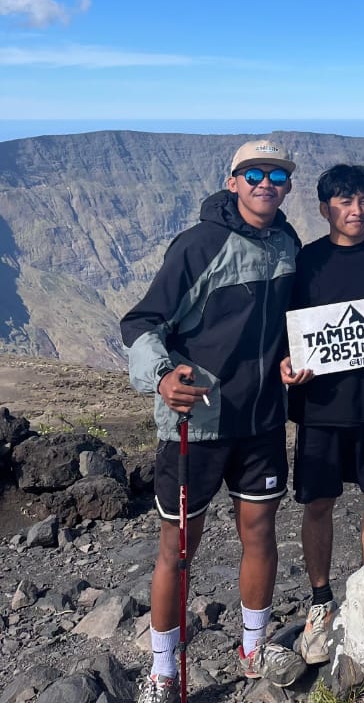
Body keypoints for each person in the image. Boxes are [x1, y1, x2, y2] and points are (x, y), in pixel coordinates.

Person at [120, 138, 308, 702]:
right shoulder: (199, 245)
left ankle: (252, 649)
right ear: (232, 182)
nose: (265, 185)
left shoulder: (287, 242)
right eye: (254, 175)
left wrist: (289, 359)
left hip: (262, 420)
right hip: (197, 422)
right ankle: (161, 670)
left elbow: (287, 322)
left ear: (288, 187)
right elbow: (143, 321)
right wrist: (161, 376)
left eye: (277, 176)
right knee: (178, 547)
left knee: (260, 534)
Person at [280, 164, 364, 665]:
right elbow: (285, 332)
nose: (356, 211)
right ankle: (320, 602)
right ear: (324, 208)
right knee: (318, 505)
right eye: (344, 202)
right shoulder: (305, 263)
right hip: (319, 411)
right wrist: (289, 363)